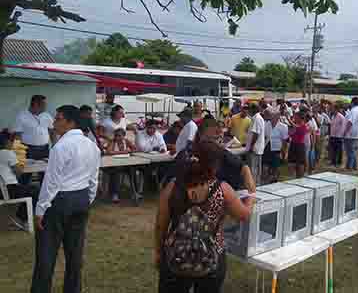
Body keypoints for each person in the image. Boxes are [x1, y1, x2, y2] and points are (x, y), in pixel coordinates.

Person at [155, 141, 254, 293]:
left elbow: (161, 225)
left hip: (175, 256)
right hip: (212, 256)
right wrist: (251, 197)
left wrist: (158, 252)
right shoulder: (222, 189)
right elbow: (244, 215)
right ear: (214, 165)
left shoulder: (173, 187)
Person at [31, 105, 101, 293]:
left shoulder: (61, 146)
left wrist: (40, 210)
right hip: (81, 198)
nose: (54, 123)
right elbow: (93, 180)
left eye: (58, 119)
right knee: (74, 254)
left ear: (70, 122)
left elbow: (51, 182)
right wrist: (87, 200)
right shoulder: (92, 146)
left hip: (60, 200)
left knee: (46, 255)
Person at [0, 132, 38, 228]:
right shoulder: (8, 153)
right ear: (7, 142)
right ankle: (21, 219)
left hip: (3, 189)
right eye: (11, 141)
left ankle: (19, 217)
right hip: (7, 190)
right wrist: (20, 165)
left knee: (25, 189)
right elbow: (19, 172)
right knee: (35, 190)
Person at [13, 95, 55, 171]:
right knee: (26, 172)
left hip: (44, 149)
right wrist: (18, 152)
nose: (45, 107)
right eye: (44, 104)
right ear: (35, 104)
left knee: (45, 172)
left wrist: (54, 145)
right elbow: (17, 135)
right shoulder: (22, 116)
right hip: (28, 149)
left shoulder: (47, 115)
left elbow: (52, 132)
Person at [105, 128, 137, 203]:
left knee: (133, 170)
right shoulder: (112, 141)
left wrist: (130, 151)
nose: (117, 137)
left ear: (124, 136)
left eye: (119, 136)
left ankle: (135, 192)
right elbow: (109, 152)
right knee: (116, 172)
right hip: (113, 165)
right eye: (116, 135)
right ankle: (115, 194)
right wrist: (123, 152)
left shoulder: (126, 141)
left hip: (125, 163)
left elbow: (135, 149)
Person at [264, 112, 289, 183]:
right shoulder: (266, 124)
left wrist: (285, 153)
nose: (272, 118)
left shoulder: (283, 126)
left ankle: (275, 180)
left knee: (275, 167)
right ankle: (267, 179)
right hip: (267, 147)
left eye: (274, 116)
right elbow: (264, 136)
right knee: (266, 166)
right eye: (271, 116)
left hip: (277, 149)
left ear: (278, 117)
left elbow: (285, 141)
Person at [245, 104, 265, 186]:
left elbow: (256, 134)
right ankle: (256, 183)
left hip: (255, 148)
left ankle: (254, 184)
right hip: (257, 147)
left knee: (253, 167)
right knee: (256, 167)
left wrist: (251, 146)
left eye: (249, 109)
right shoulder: (257, 118)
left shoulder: (256, 118)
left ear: (253, 110)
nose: (248, 111)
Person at [343, 97, 358, 171]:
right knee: (353, 152)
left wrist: (345, 132)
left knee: (350, 152)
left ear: (352, 103)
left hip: (351, 134)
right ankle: (354, 167)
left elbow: (350, 122)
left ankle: (349, 167)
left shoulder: (354, 111)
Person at [288, 112, 309, 178]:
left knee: (300, 163)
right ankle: (293, 177)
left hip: (300, 145)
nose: (294, 118)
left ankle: (300, 177)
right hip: (293, 144)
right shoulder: (295, 125)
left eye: (296, 117)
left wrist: (288, 120)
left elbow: (298, 129)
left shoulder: (304, 125)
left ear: (300, 118)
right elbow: (290, 133)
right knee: (291, 163)